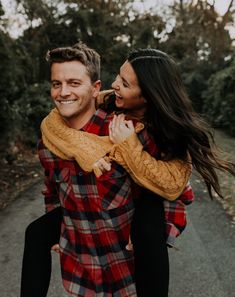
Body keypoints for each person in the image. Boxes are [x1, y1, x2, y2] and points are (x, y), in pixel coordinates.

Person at [21, 43, 193, 297]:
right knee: (35, 233)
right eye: (56, 84)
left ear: (95, 88)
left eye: (74, 83)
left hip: (130, 271)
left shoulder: (129, 132)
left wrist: (155, 238)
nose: (63, 92)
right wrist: (56, 228)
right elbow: (51, 189)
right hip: (83, 272)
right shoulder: (49, 143)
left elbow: (176, 189)